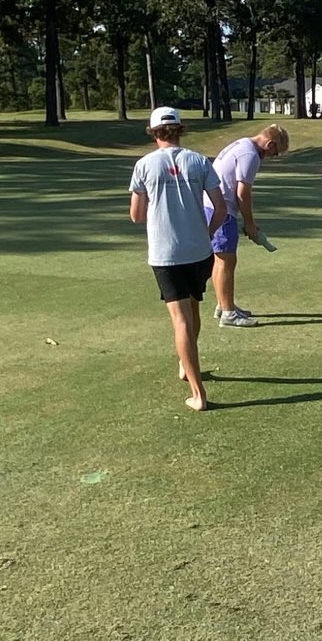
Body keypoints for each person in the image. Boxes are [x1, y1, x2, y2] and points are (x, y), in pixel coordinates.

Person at [129, 107, 227, 412]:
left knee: (180, 319)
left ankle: (198, 394)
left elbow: (136, 215)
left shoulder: (145, 164)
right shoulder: (199, 160)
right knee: (193, 308)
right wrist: (204, 232)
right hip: (200, 252)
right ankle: (187, 366)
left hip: (166, 253)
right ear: (179, 130)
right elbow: (221, 209)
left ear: (154, 132)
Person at [205, 124, 290, 329]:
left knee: (221, 259)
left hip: (212, 206)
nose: (273, 156)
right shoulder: (250, 154)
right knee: (227, 260)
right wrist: (250, 224)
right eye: (275, 152)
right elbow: (243, 193)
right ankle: (228, 314)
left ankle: (223, 304)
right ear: (269, 144)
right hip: (221, 209)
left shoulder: (242, 144)